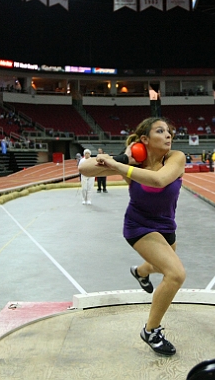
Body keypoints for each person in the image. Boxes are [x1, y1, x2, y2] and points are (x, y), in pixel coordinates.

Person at [79, 117, 186, 356]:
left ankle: (139, 272)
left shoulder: (176, 158)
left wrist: (118, 166)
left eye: (169, 131)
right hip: (139, 227)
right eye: (161, 131)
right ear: (145, 139)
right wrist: (122, 158)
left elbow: (159, 181)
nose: (168, 135)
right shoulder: (133, 163)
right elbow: (83, 168)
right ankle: (151, 331)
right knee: (176, 274)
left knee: (159, 267)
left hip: (167, 226)